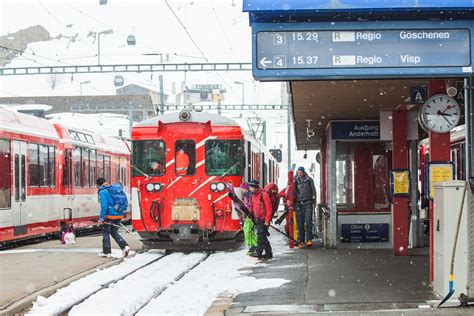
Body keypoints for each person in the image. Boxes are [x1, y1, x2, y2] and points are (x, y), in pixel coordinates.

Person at [96, 177, 130, 258]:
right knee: (114, 232)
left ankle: (106, 252)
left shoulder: (102, 191)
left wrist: (101, 218)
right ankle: (125, 246)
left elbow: (104, 206)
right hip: (118, 214)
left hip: (110, 216)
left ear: (98, 184)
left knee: (105, 232)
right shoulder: (111, 188)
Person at [248, 180, 273, 259]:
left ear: (255, 187)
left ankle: (258, 252)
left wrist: (267, 221)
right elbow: (252, 207)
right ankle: (268, 253)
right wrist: (251, 215)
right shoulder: (252, 195)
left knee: (260, 235)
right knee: (263, 236)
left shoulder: (264, 195)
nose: (250, 189)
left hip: (263, 219)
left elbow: (269, 209)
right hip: (257, 219)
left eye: (251, 187)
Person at [294, 166, 317, 249]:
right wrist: (293, 203)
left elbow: (313, 191)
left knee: (308, 222)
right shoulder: (295, 181)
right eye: (298, 172)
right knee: (300, 224)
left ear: (304, 172)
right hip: (298, 204)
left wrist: (314, 201)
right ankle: (301, 241)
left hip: (308, 203)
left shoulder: (309, 180)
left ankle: (309, 240)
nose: (300, 174)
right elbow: (293, 192)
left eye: (301, 172)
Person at [240, 182, 257, 255]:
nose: (241, 190)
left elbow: (250, 206)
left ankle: (254, 246)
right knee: (248, 231)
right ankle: (253, 246)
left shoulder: (249, 195)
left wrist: (250, 214)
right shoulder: (246, 195)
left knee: (248, 231)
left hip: (250, 216)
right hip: (249, 215)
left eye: (242, 188)